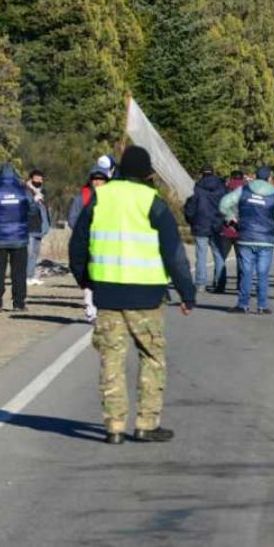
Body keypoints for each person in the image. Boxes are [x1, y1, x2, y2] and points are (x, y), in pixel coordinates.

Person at [68, 145, 195, 445]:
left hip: (108, 295)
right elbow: (174, 253)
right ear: (147, 173)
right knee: (151, 357)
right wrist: (187, 293)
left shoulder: (100, 197)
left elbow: (77, 246)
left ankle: (113, 427)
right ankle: (146, 423)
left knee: (111, 359)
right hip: (146, 298)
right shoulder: (152, 201)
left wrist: (86, 280)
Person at [220, 166, 274, 314]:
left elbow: (224, 204)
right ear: (269, 178)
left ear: (256, 176)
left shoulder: (243, 190)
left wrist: (231, 219)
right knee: (263, 273)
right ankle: (262, 305)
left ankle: (243, 304)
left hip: (245, 237)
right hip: (266, 239)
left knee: (246, 272)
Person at [67, 165, 111, 322]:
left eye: (101, 180)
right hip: (85, 243)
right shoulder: (82, 198)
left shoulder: (112, 199)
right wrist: (82, 233)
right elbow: (73, 218)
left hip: (106, 245)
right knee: (87, 275)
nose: (98, 182)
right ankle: (90, 307)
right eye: (95, 180)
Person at [184, 167, 226, 292]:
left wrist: (192, 221)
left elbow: (190, 209)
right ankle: (220, 284)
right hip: (217, 225)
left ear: (202, 174)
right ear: (213, 173)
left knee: (201, 255)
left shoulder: (198, 188)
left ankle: (200, 284)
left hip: (201, 224)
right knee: (218, 254)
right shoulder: (221, 188)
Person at [0, 163, 35, 312]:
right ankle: (19, 302)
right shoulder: (23, 191)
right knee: (19, 272)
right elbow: (33, 208)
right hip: (19, 238)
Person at [216, 169, 246, 293]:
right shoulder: (246, 191)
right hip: (241, 230)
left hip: (226, 229)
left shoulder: (225, 190)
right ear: (242, 178)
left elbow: (221, 208)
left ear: (231, 177)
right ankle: (241, 285)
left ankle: (220, 285)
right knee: (242, 259)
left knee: (221, 257)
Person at [26, 169, 50, 286]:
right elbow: (26, 207)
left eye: (41, 178)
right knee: (29, 252)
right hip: (30, 226)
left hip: (39, 227)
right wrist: (34, 201)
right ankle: (26, 276)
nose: (39, 180)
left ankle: (31, 275)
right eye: (37, 178)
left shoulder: (42, 192)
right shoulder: (26, 191)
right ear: (31, 178)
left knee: (35, 253)